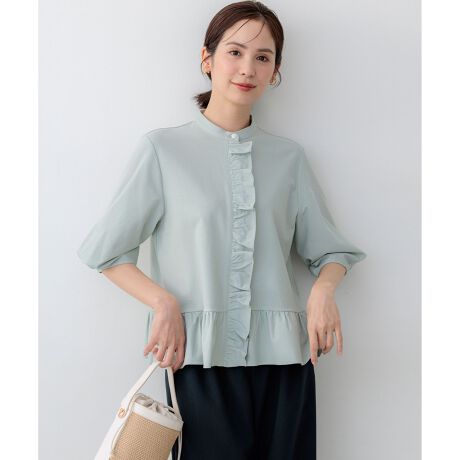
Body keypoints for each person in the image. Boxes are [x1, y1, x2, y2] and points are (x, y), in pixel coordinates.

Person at [77, 1, 367, 459]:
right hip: (198, 361)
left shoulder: (289, 158)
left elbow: (331, 251)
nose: (248, 68)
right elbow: (107, 252)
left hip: (286, 363)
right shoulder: (163, 151)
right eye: (235, 52)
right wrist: (163, 301)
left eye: (263, 57)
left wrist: (323, 291)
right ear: (207, 58)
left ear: (275, 71)